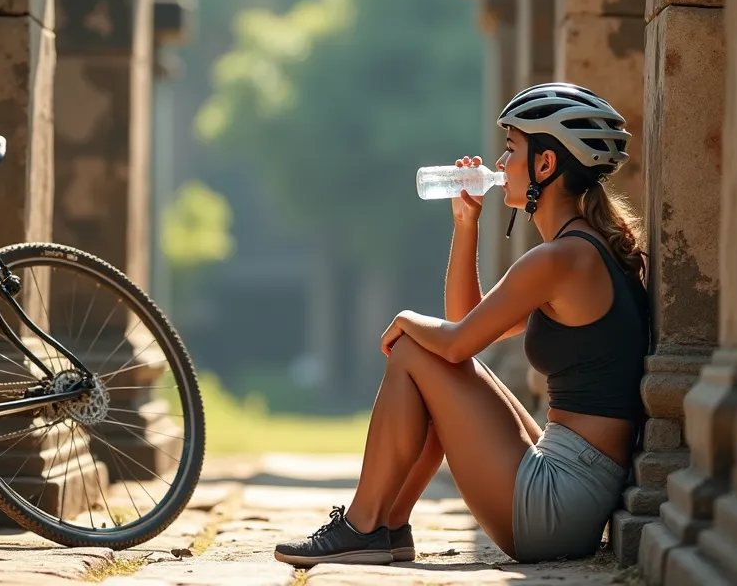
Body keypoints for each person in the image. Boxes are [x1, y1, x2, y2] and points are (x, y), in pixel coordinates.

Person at [273, 83, 651, 567]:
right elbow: (465, 328)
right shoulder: (580, 249)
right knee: (429, 359)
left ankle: (362, 524)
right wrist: (466, 224)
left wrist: (407, 320)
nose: (499, 164)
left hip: (557, 506)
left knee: (415, 349)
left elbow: (453, 345)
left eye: (511, 149)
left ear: (545, 165)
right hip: (572, 486)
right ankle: (387, 527)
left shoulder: (561, 258)